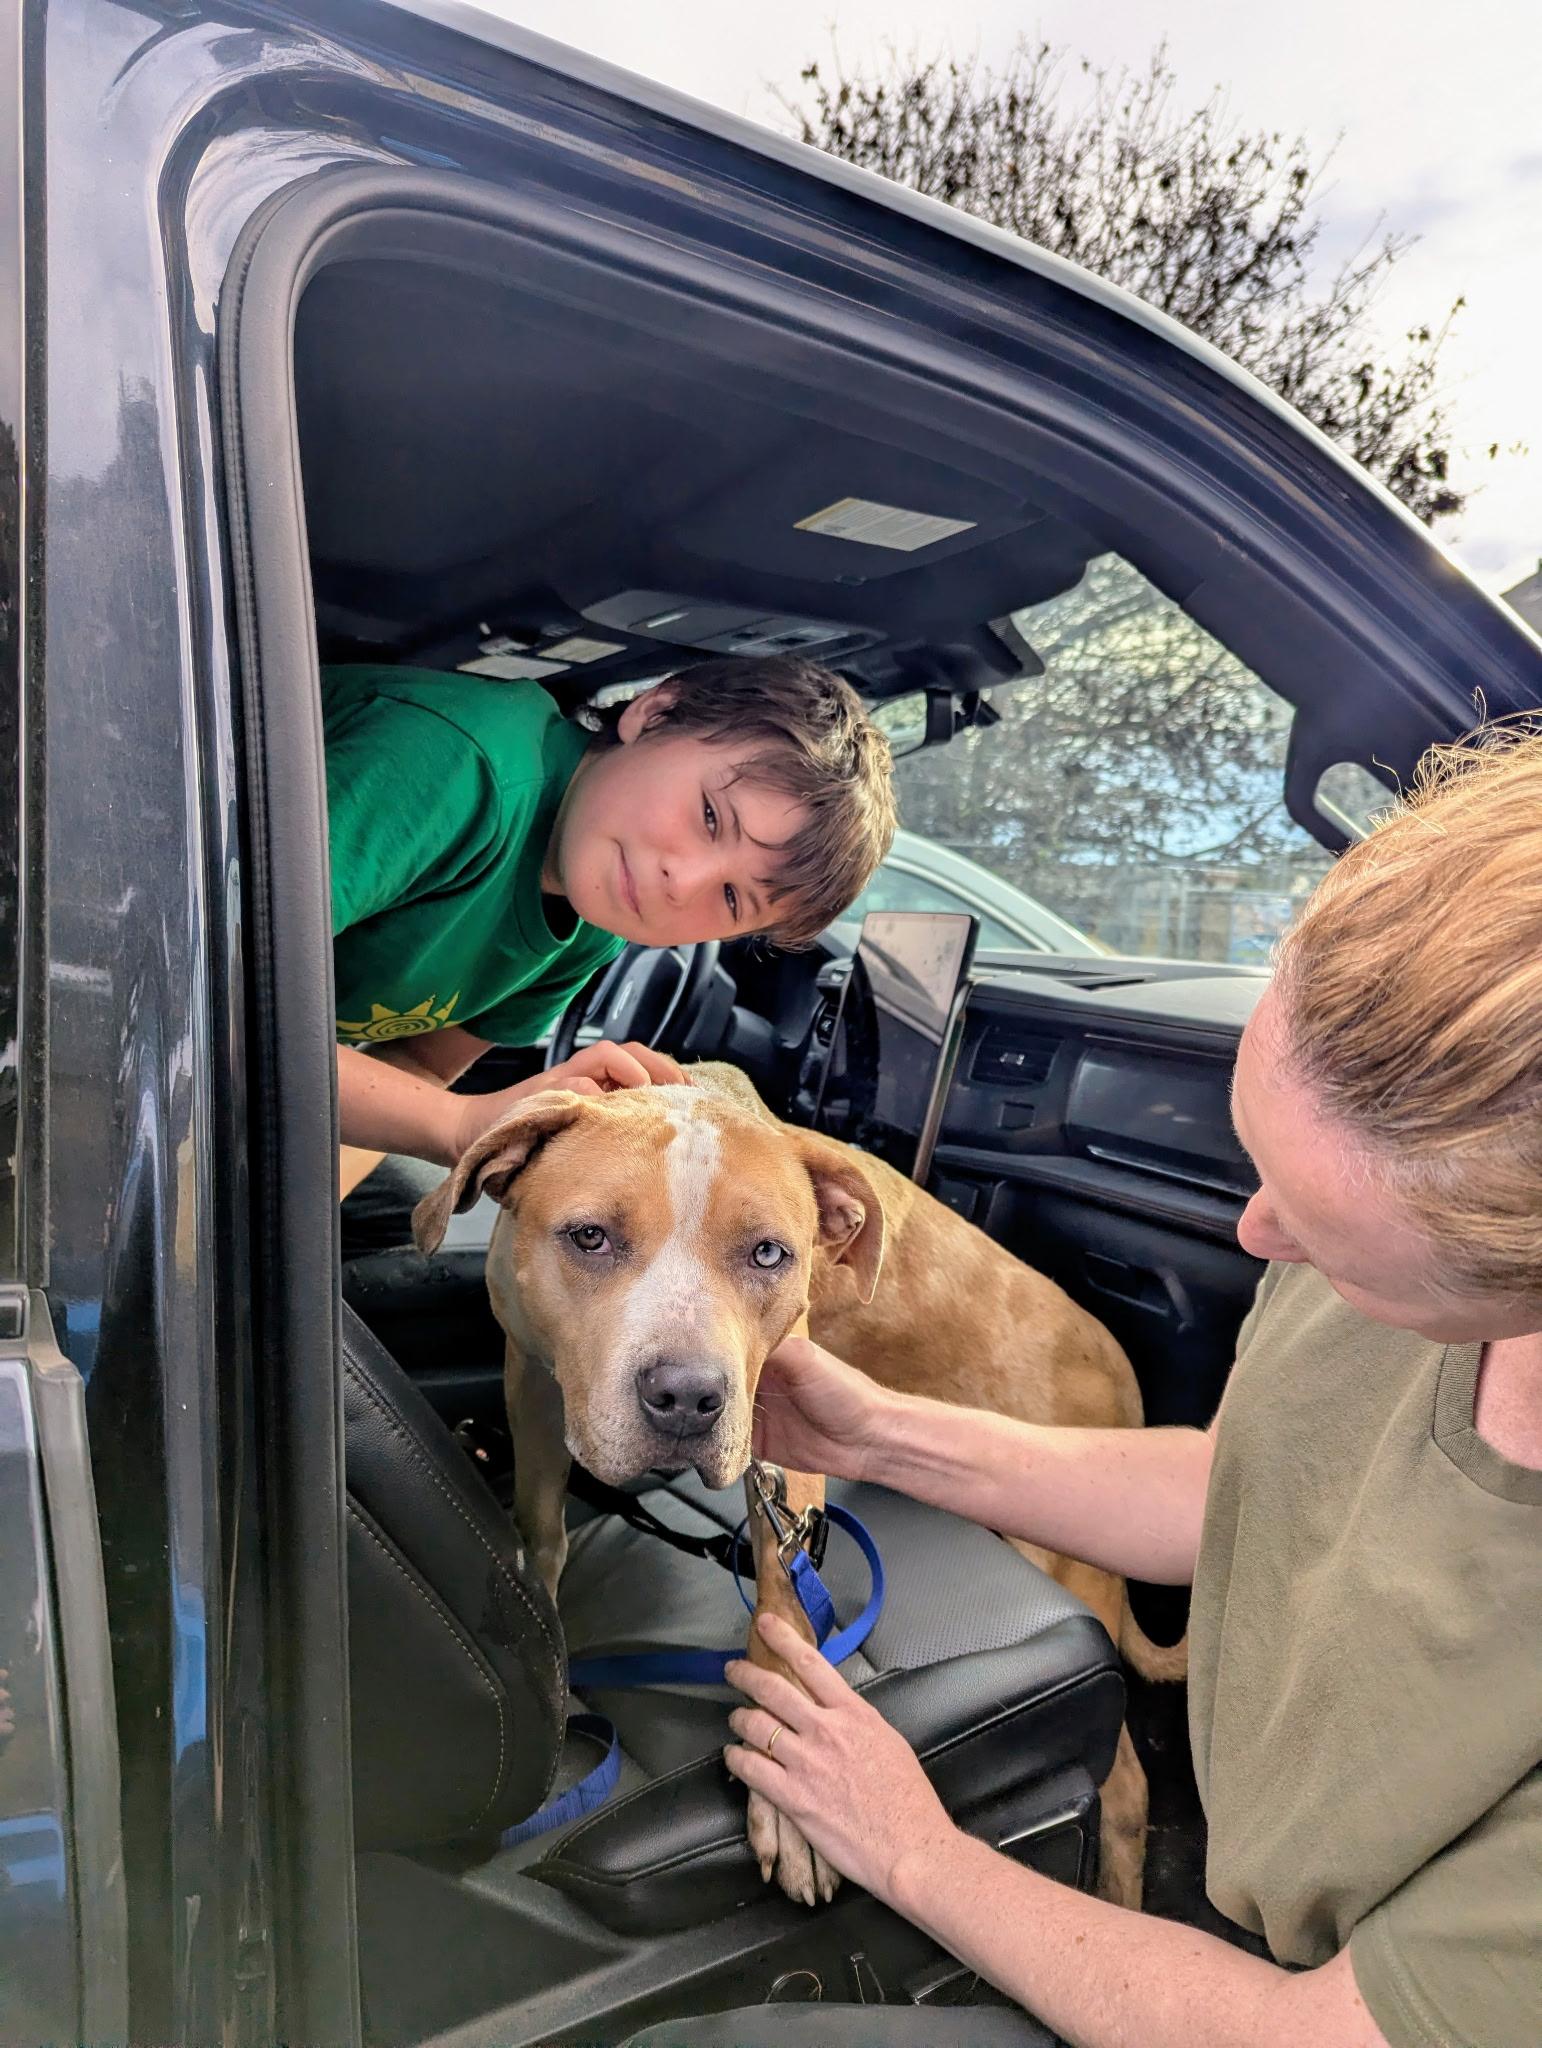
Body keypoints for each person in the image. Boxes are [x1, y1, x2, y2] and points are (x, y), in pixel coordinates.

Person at [724, 728, 1541, 2048]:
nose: (1254, 1232)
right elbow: (1254, 1473)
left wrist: (910, 1848)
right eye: (1258, 1160)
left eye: (1325, 1233)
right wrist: (886, 1432)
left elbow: (1307, 2039)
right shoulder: (1393, 1200)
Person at [323, 654, 896, 1201]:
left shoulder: (593, 922)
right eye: (710, 816)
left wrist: (296, 1221)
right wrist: (461, 1124)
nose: (682, 881)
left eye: (729, 898)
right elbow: (232, 994)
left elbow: (421, 1065)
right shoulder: (460, 764)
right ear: (654, 712)